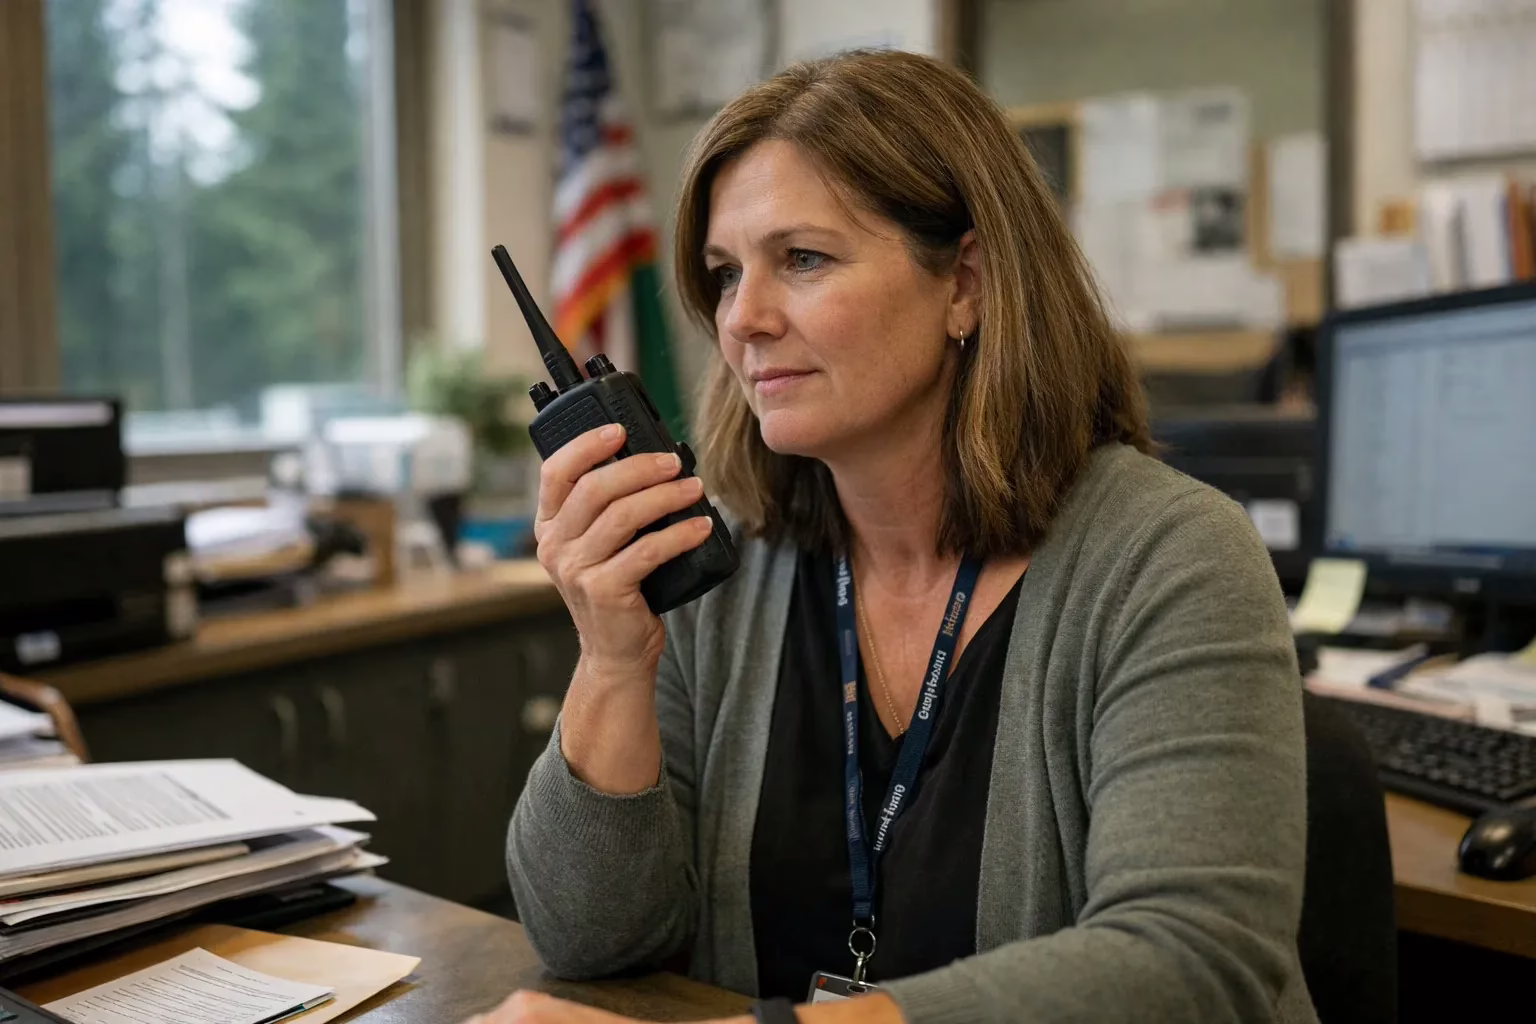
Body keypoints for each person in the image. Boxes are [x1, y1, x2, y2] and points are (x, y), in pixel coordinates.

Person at [470, 49, 1315, 1024]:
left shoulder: (1170, 559)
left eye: (803, 259)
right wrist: (613, 659)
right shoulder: (721, 567)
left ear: (966, 283)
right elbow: (591, 936)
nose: (742, 318)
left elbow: (1189, 963)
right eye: (723, 272)